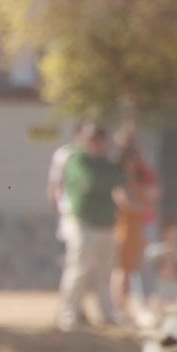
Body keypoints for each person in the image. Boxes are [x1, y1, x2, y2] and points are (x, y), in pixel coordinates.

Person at [57, 123, 127, 331]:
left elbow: (121, 179)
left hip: (106, 222)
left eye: (99, 139)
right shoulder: (77, 160)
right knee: (79, 269)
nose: (95, 144)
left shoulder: (107, 163)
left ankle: (106, 313)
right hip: (84, 222)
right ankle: (69, 313)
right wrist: (109, 179)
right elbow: (90, 183)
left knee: (104, 272)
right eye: (91, 139)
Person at [115, 126, 160, 323]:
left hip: (143, 225)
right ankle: (120, 307)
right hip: (124, 227)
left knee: (142, 267)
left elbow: (156, 190)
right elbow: (121, 199)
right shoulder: (117, 174)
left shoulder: (143, 172)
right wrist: (141, 205)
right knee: (122, 269)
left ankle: (141, 305)